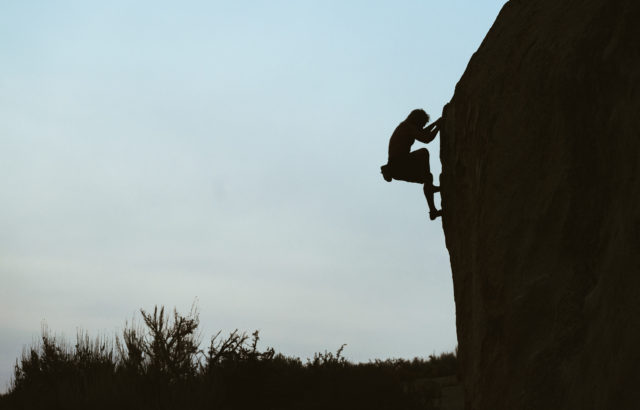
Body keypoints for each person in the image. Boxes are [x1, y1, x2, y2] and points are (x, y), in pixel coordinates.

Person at [381, 109, 442, 220]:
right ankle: (430, 187)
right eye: (422, 124)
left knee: (428, 177)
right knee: (423, 153)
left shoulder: (406, 127)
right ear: (417, 121)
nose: (422, 126)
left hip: (397, 168)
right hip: (398, 164)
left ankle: (433, 211)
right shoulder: (407, 127)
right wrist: (438, 126)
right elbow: (426, 138)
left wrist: (436, 123)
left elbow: (422, 132)